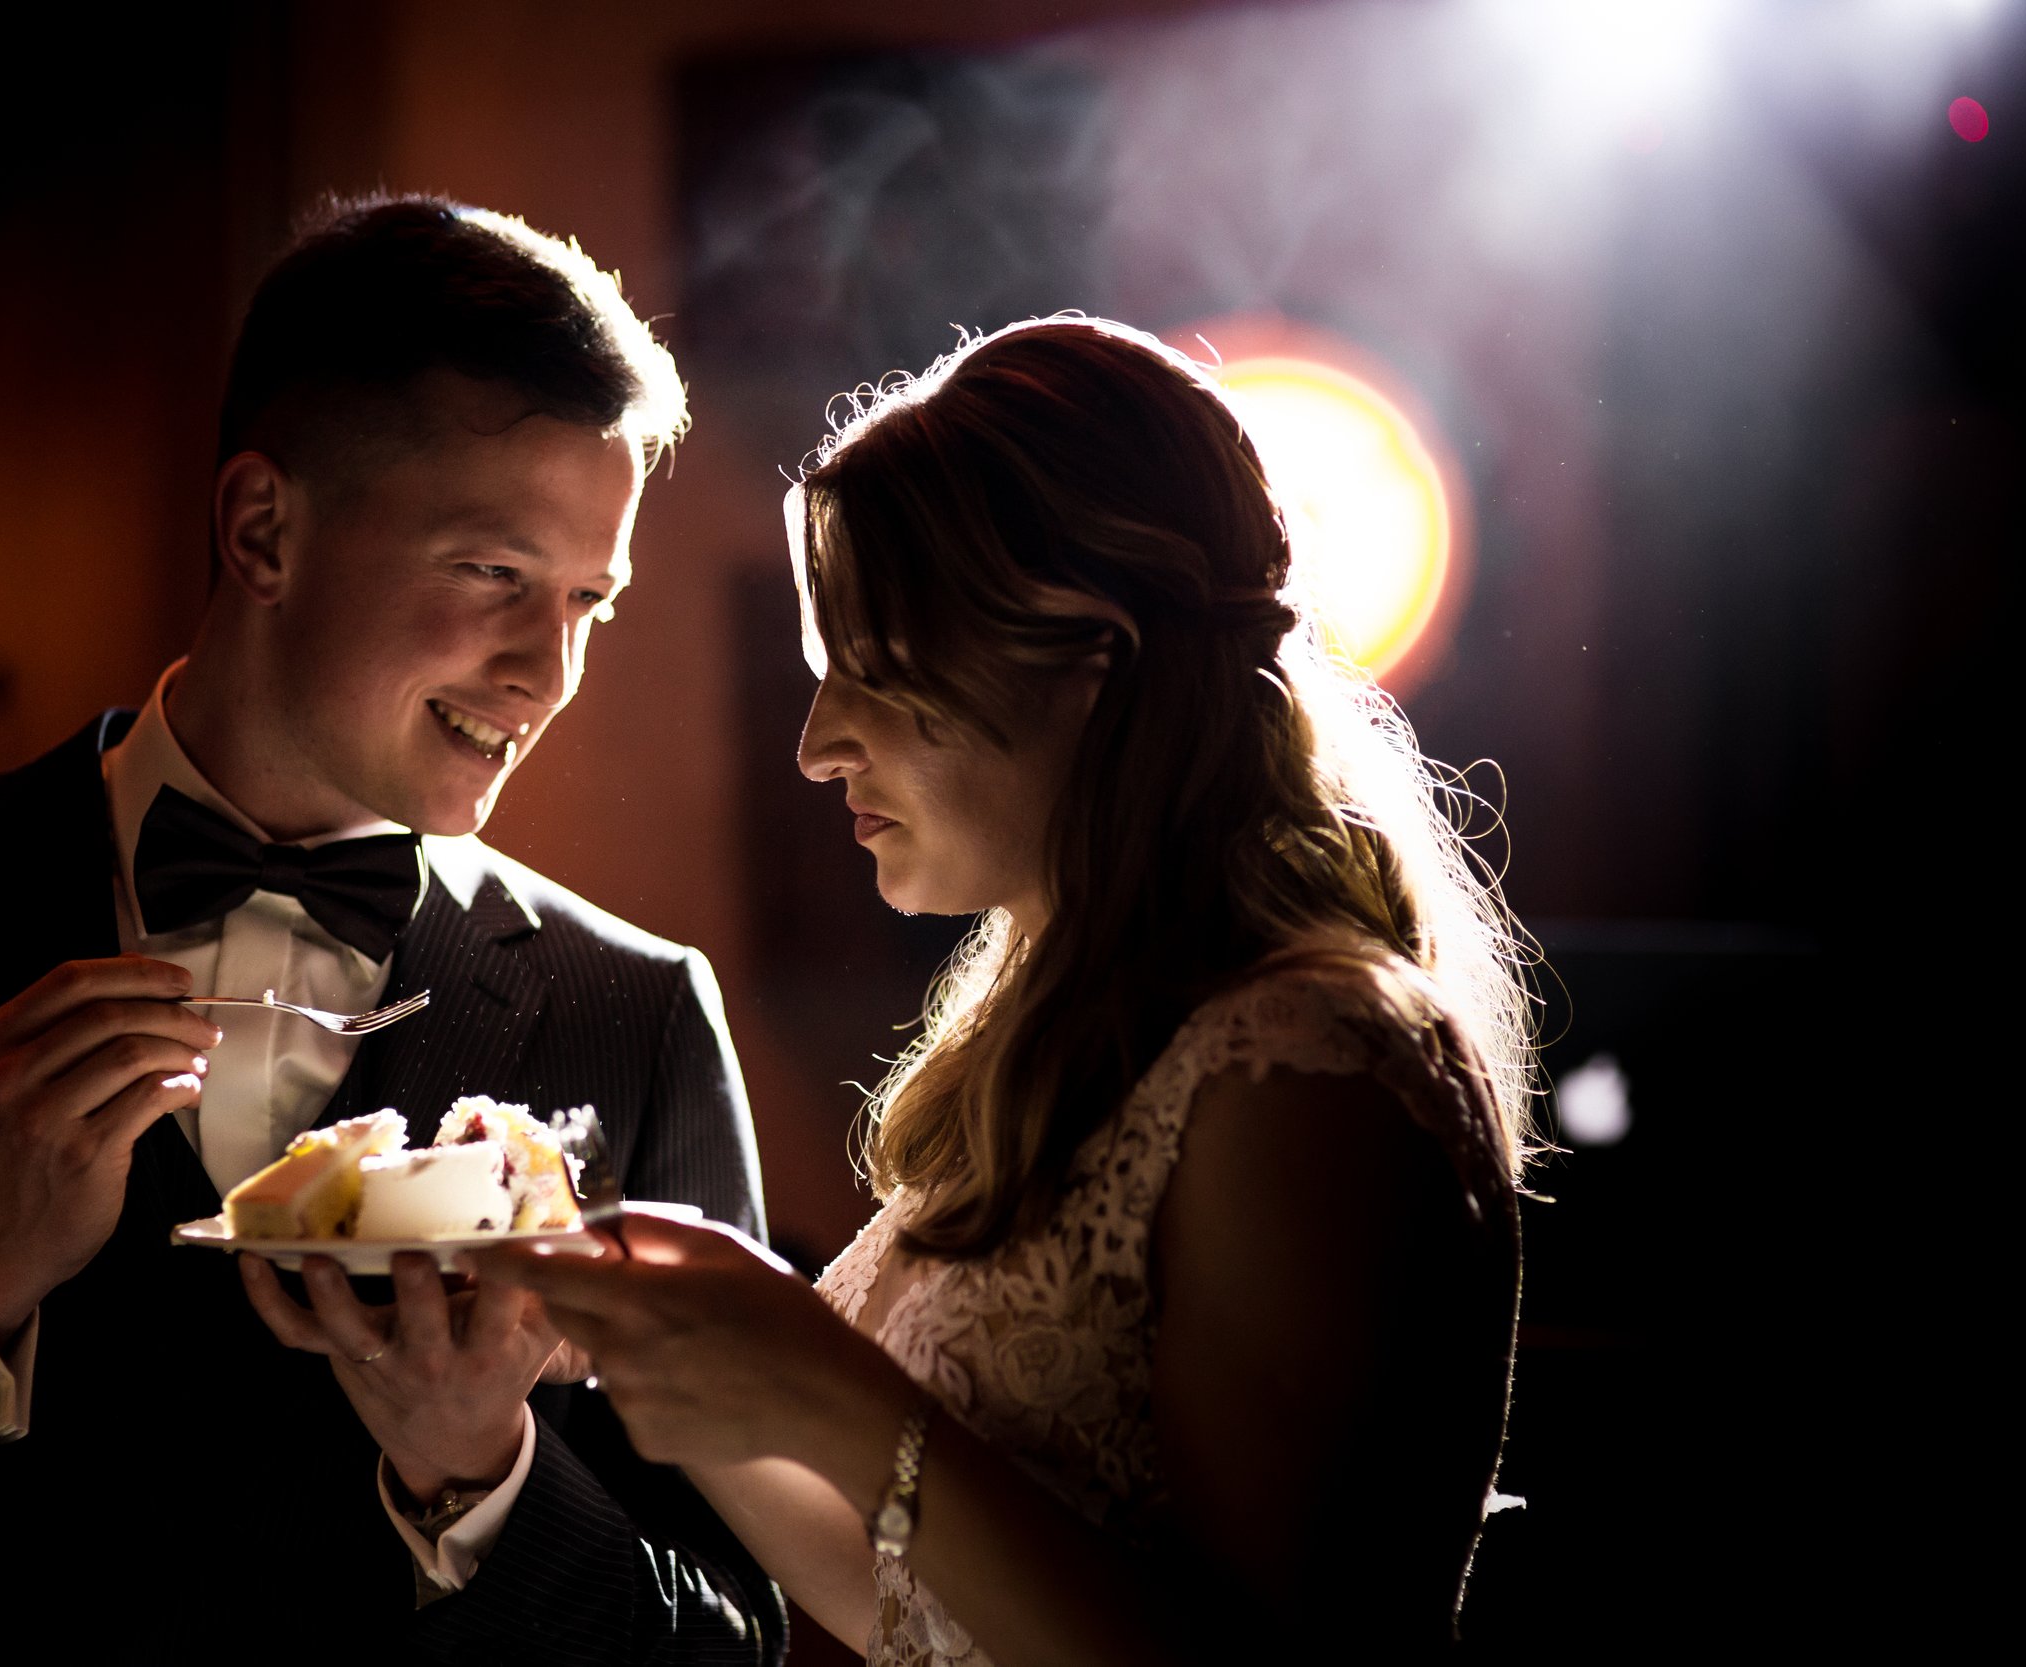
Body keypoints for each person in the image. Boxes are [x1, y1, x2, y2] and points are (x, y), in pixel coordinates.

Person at [0, 197, 781, 1664]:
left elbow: (729, 1643)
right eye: (493, 576)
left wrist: (480, 1480)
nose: (546, 672)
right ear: (263, 526)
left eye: (589, 602)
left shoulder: (632, 1012)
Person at [480, 317, 1534, 1660]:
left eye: (870, 671)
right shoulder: (1070, 1031)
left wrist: (840, 1399)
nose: (817, 747)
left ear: (1083, 659)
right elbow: (909, 1602)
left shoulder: (1305, 1060)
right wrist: (623, 1324)